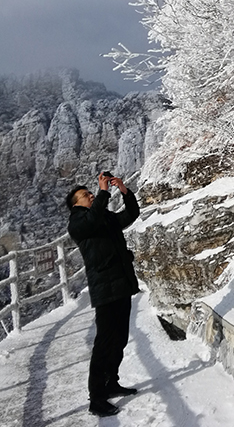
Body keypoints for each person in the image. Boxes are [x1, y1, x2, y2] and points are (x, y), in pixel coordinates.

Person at [66, 172, 141, 417]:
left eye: (91, 193)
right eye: (86, 195)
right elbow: (92, 220)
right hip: (104, 288)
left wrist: (124, 191)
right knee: (104, 343)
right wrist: (103, 192)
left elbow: (130, 216)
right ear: (76, 204)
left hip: (121, 283)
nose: (90, 196)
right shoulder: (77, 223)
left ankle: (111, 383)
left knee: (119, 338)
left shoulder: (101, 215)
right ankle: (96, 398)